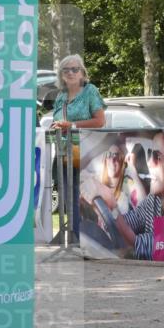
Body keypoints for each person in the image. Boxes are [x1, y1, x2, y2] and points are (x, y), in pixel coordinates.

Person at [83, 130, 164, 261]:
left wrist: (112, 207)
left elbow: (137, 245)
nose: (149, 162)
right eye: (149, 154)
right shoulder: (154, 200)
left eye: (157, 157)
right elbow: (129, 222)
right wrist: (103, 208)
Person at [50, 54, 106, 238]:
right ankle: (72, 234)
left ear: (83, 73)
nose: (71, 73)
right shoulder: (60, 96)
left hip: (85, 151)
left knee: (80, 195)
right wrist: (56, 126)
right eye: (66, 70)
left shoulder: (90, 91)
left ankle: (83, 236)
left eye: (75, 69)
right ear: (61, 75)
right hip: (63, 152)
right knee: (67, 195)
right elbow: (58, 120)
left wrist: (72, 126)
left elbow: (100, 121)